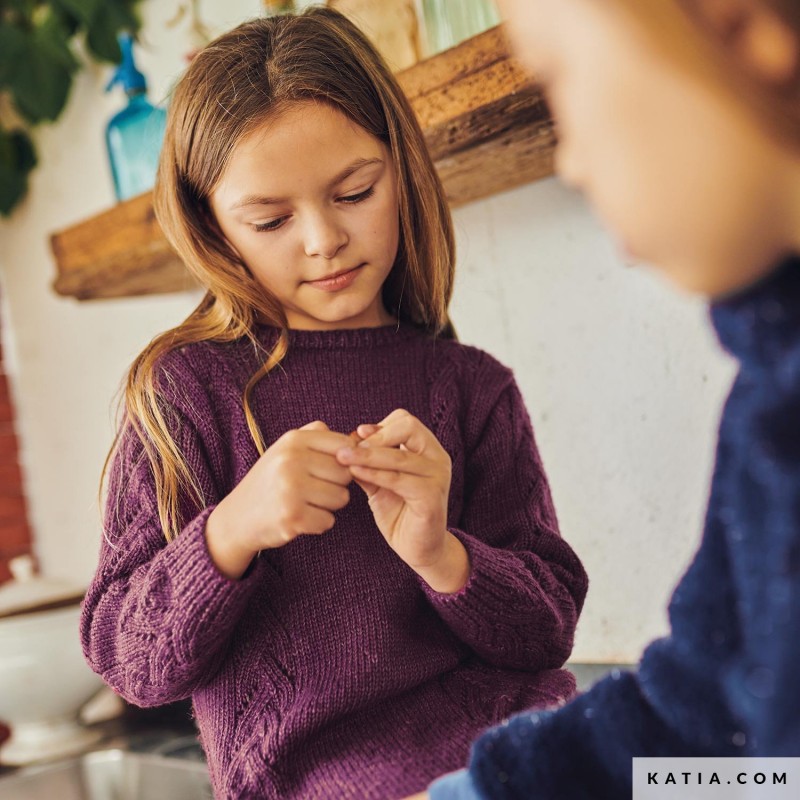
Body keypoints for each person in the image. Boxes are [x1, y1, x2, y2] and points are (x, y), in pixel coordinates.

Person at [79, 8, 588, 799]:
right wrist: (230, 532)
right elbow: (129, 662)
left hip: (531, 755)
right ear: (213, 226)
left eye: (355, 192)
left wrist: (441, 554)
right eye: (270, 219)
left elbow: (546, 635)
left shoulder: (472, 386)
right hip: (331, 786)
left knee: (729, 773)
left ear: (401, 170)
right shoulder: (183, 392)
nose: (322, 240)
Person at [406, 0, 800, 798]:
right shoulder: (769, 399)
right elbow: (715, 751)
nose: (572, 162)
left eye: (559, 82)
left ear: (737, 23)